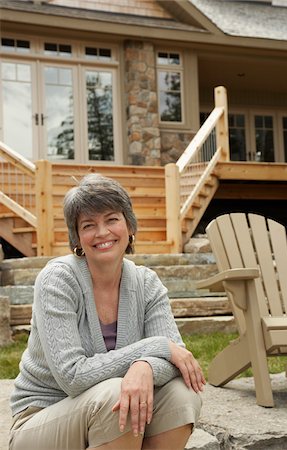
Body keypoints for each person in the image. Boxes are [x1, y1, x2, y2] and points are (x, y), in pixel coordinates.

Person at [9, 173, 205, 450]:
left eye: (112, 219)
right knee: (117, 397)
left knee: (183, 394)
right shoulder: (58, 279)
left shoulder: (147, 283)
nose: (102, 233)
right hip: (42, 419)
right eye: (89, 225)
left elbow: (177, 363)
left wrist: (145, 365)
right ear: (77, 238)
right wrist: (155, 348)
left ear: (129, 226)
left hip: (105, 409)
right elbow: (73, 377)